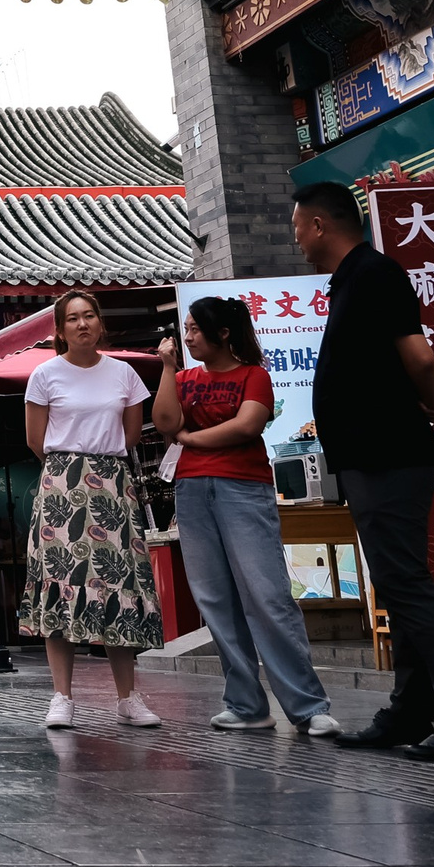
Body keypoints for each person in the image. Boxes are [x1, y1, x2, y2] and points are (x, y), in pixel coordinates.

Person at [295, 181, 434, 762]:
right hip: (369, 454)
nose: (297, 237)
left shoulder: (375, 274)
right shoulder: (353, 280)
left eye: (298, 225)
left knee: (404, 580)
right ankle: (412, 708)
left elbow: (421, 357)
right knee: (397, 579)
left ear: (319, 225)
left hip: (388, 452)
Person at [157, 296, 340, 737]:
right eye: (187, 329)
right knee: (215, 600)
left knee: (267, 594)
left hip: (244, 487)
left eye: (197, 328)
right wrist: (166, 369)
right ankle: (245, 704)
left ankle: (308, 706)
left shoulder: (253, 375)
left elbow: (247, 425)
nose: (188, 336)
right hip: (192, 490)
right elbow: (165, 423)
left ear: (223, 333)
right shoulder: (183, 377)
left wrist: (194, 440)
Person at [23, 290, 166, 730]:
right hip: (63, 482)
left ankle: (128, 697)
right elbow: (35, 439)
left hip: (112, 481)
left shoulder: (124, 374)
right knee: (63, 584)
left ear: (100, 323)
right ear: (60, 329)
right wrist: (69, 472)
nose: (82, 325)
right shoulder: (45, 375)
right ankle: (62, 697)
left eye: (89, 316)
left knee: (118, 585)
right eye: (72, 319)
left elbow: (131, 436)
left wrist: (100, 469)